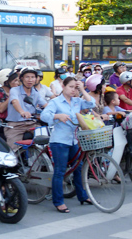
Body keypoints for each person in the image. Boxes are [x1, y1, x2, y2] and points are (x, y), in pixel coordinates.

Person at [40, 77, 95, 213]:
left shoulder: (77, 101)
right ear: (63, 86)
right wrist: (57, 116)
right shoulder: (55, 102)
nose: (73, 90)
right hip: (59, 141)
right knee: (60, 171)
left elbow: (91, 104)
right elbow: (44, 116)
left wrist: (82, 89)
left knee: (78, 168)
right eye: (70, 87)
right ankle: (58, 201)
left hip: (73, 139)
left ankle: (82, 196)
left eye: (75, 87)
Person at [5, 67, 48, 150]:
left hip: (32, 124)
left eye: (32, 77)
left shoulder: (36, 93)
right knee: (13, 150)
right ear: (21, 78)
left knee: (46, 144)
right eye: (27, 77)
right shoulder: (15, 90)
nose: (30, 80)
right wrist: (22, 112)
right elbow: (15, 101)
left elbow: (46, 105)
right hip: (15, 125)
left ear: (36, 79)